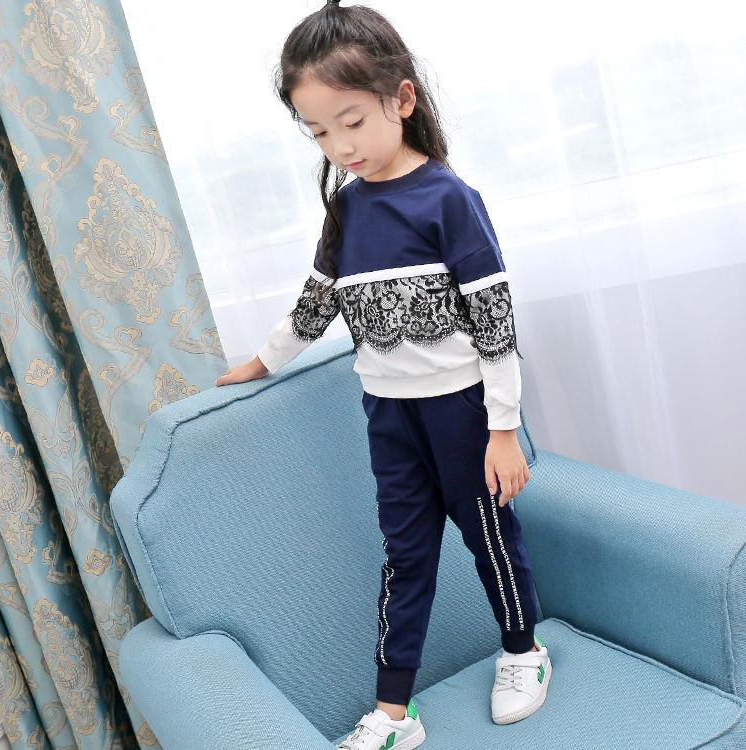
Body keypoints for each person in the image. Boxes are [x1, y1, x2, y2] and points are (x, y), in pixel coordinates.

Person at [215, 1, 552, 746]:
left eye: (351, 122)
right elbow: (318, 301)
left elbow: (495, 325)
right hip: (389, 416)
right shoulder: (345, 211)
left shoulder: (450, 201)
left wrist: (502, 430)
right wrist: (264, 360)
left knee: (489, 537)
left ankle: (524, 651)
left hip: (462, 410)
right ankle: (394, 713)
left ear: (401, 99)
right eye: (318, 132)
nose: (339, 147)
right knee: (405, 555)